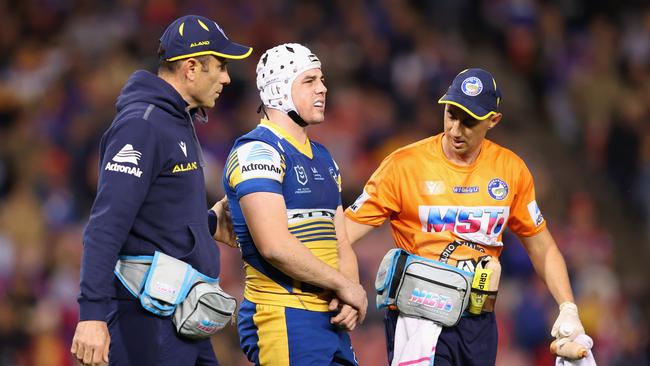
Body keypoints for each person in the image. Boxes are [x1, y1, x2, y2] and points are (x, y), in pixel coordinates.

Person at [344, 68, 587, 366]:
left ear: (493, 120)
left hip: (479, 320)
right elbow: (342, 231)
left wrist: (568, 306)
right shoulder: (403, 165)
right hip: (419, 316)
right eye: (451, 114)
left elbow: (543, 247)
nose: (456, 129)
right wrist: (343, 282)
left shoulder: (511, 170)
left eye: (469, 121)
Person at [70, 15, 251, 366]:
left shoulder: (177, 120)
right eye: (221, 65)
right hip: (143, 319)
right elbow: (106, 225)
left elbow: (155, 217)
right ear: (191, 67)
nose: (227, 78)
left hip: (178, 317)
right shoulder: (143, 125)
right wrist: (91, 315)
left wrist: (208, 225)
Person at [222, 43, 367, 366]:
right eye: (309, 81)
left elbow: (340, 239)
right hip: (283, 316)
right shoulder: (257, 151)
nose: (323, 88)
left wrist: (350, 293)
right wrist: (345, 285)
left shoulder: (325, 157)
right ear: (278, 91)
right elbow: (274, 245)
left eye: (322, 80)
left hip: (329, 321)